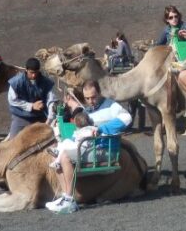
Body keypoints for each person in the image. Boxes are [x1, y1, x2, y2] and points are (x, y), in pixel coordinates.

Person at [47, 80, 132, 212]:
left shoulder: (111, 106)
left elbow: (127, 118)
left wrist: (102, 129)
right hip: (88, 148)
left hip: (105, 149)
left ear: (99, 93)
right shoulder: (86, 109)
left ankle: (69, 200)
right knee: (56, 157)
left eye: (93, 97)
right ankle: (66, 197)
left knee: (65, 157)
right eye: (87, 98)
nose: (91, 101)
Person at [5, 57, 59, 140]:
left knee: (49, 141)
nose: (34, 75)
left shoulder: (46, 82)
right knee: (13, 142)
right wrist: (31, 106)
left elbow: (51, 100)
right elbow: (12, 100)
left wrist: (49, 119)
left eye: (36, 72)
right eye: (31, 72)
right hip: (21, 117)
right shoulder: (16, 82)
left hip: (40, 117)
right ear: (26, 70)